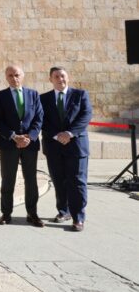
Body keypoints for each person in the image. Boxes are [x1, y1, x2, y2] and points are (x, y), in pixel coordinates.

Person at [41, 66, 92, 232]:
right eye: (56, 77)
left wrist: (69, 133)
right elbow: (41, 120)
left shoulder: (80, 95)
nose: (60, 79)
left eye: (63, 76)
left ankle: (78, 218)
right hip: (54, 146)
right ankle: (64, 211)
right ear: (51, 79)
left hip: (76, 146)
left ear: (68, 78)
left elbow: (85, 116)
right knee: (59, 180)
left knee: (77, 182)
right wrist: (57, 135)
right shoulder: (44, 98)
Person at [0, 64, 44, 227]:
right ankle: (6, 214)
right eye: (10, 76)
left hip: (29, 144)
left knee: (31, 180)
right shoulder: (0, 96)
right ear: (6, 77)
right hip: (9, 144)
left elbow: (39, 118)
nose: (14, 78)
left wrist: (30, 136)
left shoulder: (33, 94)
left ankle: (32, 213)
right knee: (8, 180)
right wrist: (14, 136)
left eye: (17, 75)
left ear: (23, 75)